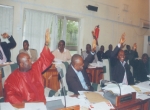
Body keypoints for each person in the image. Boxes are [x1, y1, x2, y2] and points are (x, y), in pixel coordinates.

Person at [4, 29, 54, 104]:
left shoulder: (34, 68)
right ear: (21, 64)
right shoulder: (11, 79)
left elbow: (44, 59)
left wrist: (46, 44)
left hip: (42, 103)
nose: (31, 62)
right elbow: (11, 97)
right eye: (28, 60)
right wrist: (29, 105)